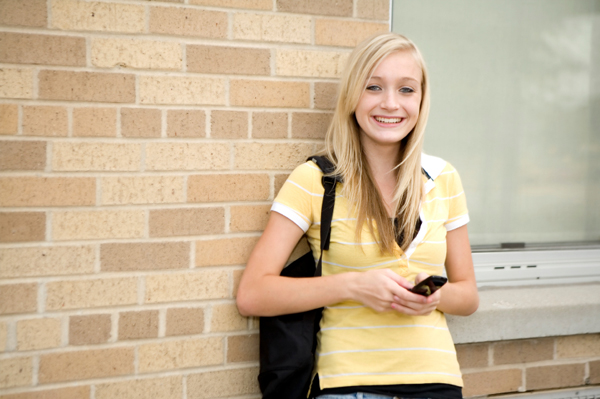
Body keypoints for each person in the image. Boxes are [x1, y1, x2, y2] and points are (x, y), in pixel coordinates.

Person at [236, 32, 479, 399]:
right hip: (349, 386)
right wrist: (354, 286)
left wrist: (431, 297)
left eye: (407, 89)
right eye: (374, 87)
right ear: (353, 96)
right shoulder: (316, 180)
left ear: (422, 100)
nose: (391, 104)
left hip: (438, 383)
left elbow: (468, 296)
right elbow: (253, 294)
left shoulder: (444, 178)